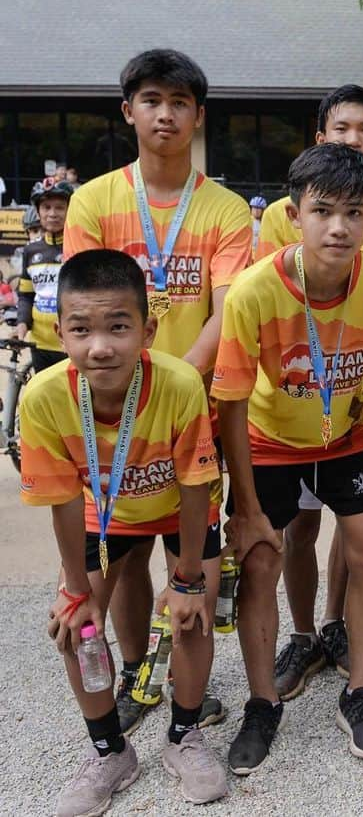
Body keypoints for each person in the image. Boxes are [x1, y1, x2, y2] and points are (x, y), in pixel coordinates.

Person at [64, 47, 252, 735]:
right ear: (129, 112)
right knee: (121, 549)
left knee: (189, 557)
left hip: (189, 413)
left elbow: (228, 310)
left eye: (179, 103)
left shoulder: (227, 209)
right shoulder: (94, 201)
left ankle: (186, 689)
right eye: (151, 101)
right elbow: (83, 308)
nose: (165, 114)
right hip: (106, 416)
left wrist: (168, 384)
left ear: (198, 116)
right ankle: (142, 668)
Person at [211, 142, 363, 772]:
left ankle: (362, 691)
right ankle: (263, 703)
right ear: (293, 215)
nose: (338, 226)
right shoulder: (252, 292)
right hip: (269, 442)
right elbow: (232, 407)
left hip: (350, 435)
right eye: (322, 210)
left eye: (353, 212)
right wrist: (244, 507)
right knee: (262, 556)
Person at [21, 249, 228, 814]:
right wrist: (74, 590)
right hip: (104, 514)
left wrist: (186, 580)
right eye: (82, 329)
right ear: (59, 331)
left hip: (179, 509)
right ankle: (110, 751)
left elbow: (193, 488)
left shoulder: (181, 383)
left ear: (148, 328)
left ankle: (185, 735)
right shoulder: (41, 398)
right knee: (75, 627)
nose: (100, 346)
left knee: (197, 609)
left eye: (118, 326)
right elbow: (62, 503)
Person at [252, 85, 363, 700]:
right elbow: (269, 304)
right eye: (342, 127)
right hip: (296, 400)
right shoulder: (284, 214)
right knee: (300, 529)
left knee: (360, 536)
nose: (354, 138)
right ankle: (304, 635)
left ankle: (339, 627)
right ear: (321, 134)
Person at [17, 180, 75, 372]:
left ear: (70, 209)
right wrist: (22, 324)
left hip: (72, 342)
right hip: (39, 343)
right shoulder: (30, 251)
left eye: (60, 207)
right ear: (38, 211)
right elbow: (26, 295)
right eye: (46, 207)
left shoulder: (79, 246)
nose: (52, 213)